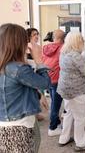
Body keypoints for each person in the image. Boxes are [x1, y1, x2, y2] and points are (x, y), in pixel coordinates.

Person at [0, 23, 51, 152]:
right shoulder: (18, 69)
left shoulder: (7, 66)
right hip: (18, 128)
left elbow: (16, 89)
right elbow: (45, 83)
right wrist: (39, 60)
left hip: (5, 125)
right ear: (18, 43)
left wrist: (39, 95)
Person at [57, 32, 85, 151]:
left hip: (65, 89)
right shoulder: (76, 56)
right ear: (77, 41)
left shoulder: (63, 53)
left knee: (68, 113)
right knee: (80, 117)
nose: (83, 41)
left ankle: (64, 138)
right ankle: (81, 143)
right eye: (81, 39)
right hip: (77, 90)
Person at [42, 29, 65, 136]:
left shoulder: (45, 48)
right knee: (55, 105)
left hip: (48, 79)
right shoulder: (63, 48)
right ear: (62, 38)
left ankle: (57, 122)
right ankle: (53, 127)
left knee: (53, 102)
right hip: (57, 79)